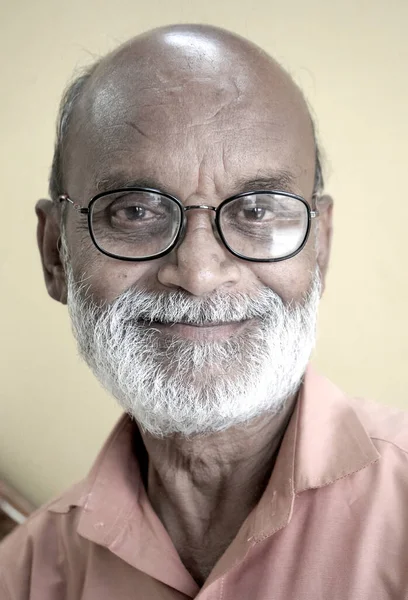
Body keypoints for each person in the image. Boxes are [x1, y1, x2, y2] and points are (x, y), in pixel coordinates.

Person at [1, 23, 407, 600]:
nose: (198, 272)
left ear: (321, 247)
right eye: (136, 211)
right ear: (55, 254)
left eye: (259, 210)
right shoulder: (24, 577)